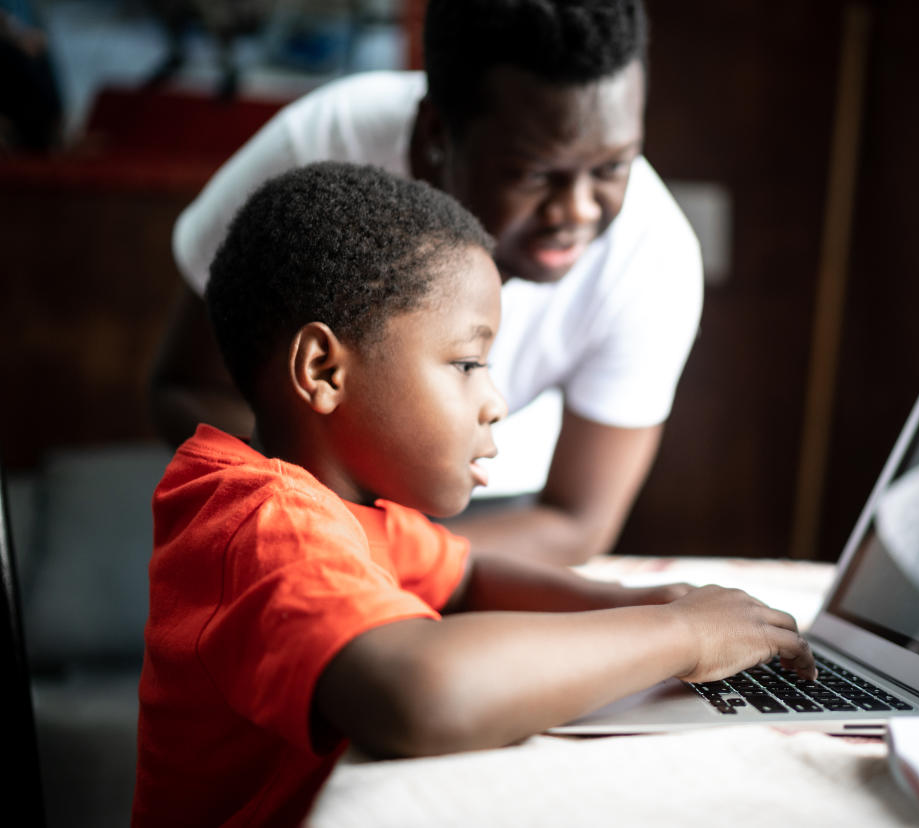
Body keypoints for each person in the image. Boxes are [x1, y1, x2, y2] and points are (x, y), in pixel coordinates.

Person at [131, 162, 810, 828]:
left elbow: (467, 578)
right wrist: (679, 636)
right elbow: (422, 694)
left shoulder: (358, 512)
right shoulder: (264, 521)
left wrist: (645, 603)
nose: (496, 402)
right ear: (323, 369)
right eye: (465, 364)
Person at [149, 0, 702, 565]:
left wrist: (385, 548)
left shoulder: (653, 258)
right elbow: (188, 388)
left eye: (614, 167)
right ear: (437, 131)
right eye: (535, 173)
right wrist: (319, 521)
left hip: (501, 518)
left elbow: (576, 522)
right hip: (287, 492)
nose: (578, 211)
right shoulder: (312, 152)